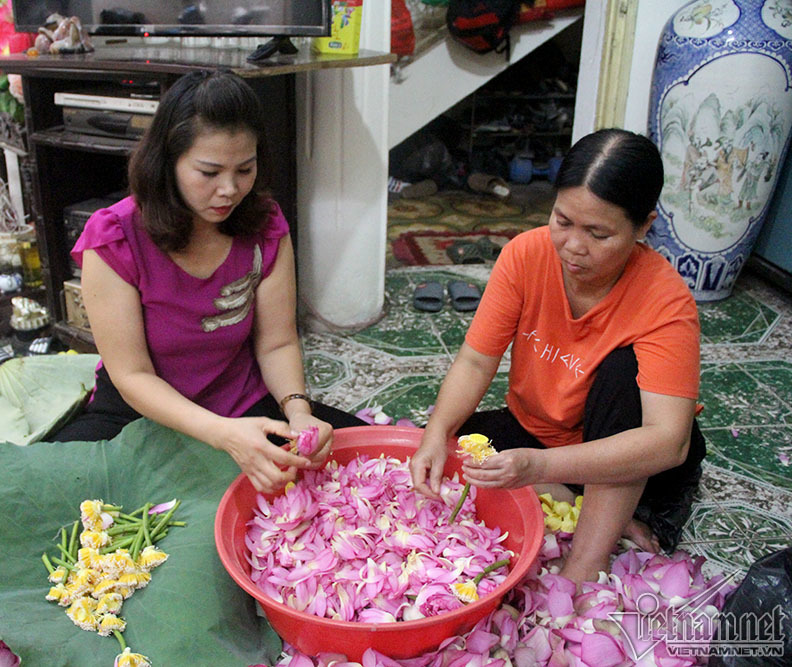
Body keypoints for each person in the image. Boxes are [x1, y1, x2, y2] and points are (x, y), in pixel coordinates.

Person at [410, 128, 705, 585]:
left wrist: (539, 466)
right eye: (563, 221)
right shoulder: (526, 255)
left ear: (644, 227)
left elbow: (669, 442)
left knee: (622, 370)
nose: (573, 246)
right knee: (452, 443)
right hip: (538, 432)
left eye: (598, 233)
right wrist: (436, 432)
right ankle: (585, 500)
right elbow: (474, 362)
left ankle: (587, 559)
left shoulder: (664, 300)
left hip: (623, 445)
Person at [52, 69, 364, 492]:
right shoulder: (115, 237)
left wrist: (298, 411)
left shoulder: (264, 224)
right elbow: (133, 375)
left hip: (242, 404)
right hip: (140, 411)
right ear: (169, 161)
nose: (230, 190)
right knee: (56, 493)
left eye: (245, 169)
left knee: (364, 465)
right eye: (209, 172)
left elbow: (277, 342)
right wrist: (222, 435)